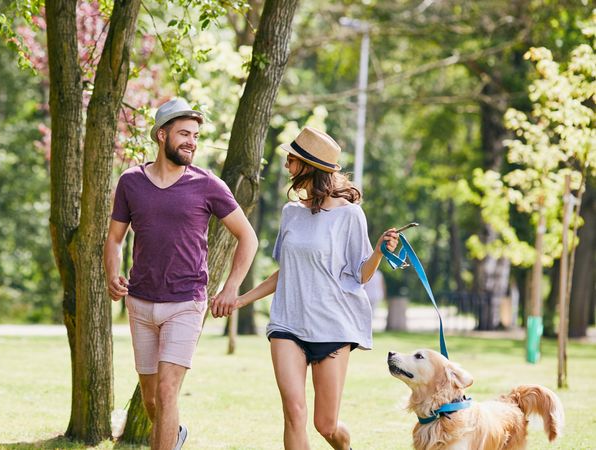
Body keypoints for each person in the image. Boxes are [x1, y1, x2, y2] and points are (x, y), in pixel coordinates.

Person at [104, 98, 258, 450]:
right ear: (162, 135)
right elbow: (113, 239)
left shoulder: (208, 185)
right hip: (140, 302)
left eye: (196, 135)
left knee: (167, 390)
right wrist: (112, 273)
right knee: (151, 401)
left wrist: (231, 287)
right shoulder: (130, 183)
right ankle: (174, 437)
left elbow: (247, 236)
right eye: (184, 133)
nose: (192, 141)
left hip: (186, 303)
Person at [235, 127, 398, 450]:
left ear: (309, 166)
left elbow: (360, 275)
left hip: (332, 326)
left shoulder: (350, 215)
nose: (286, 167)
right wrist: (240, 300)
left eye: (292, 160)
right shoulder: (290, 213)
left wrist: (378, 250)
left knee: (325, 425)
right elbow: (286, 273)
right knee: (293, 413)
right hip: (288, 323)